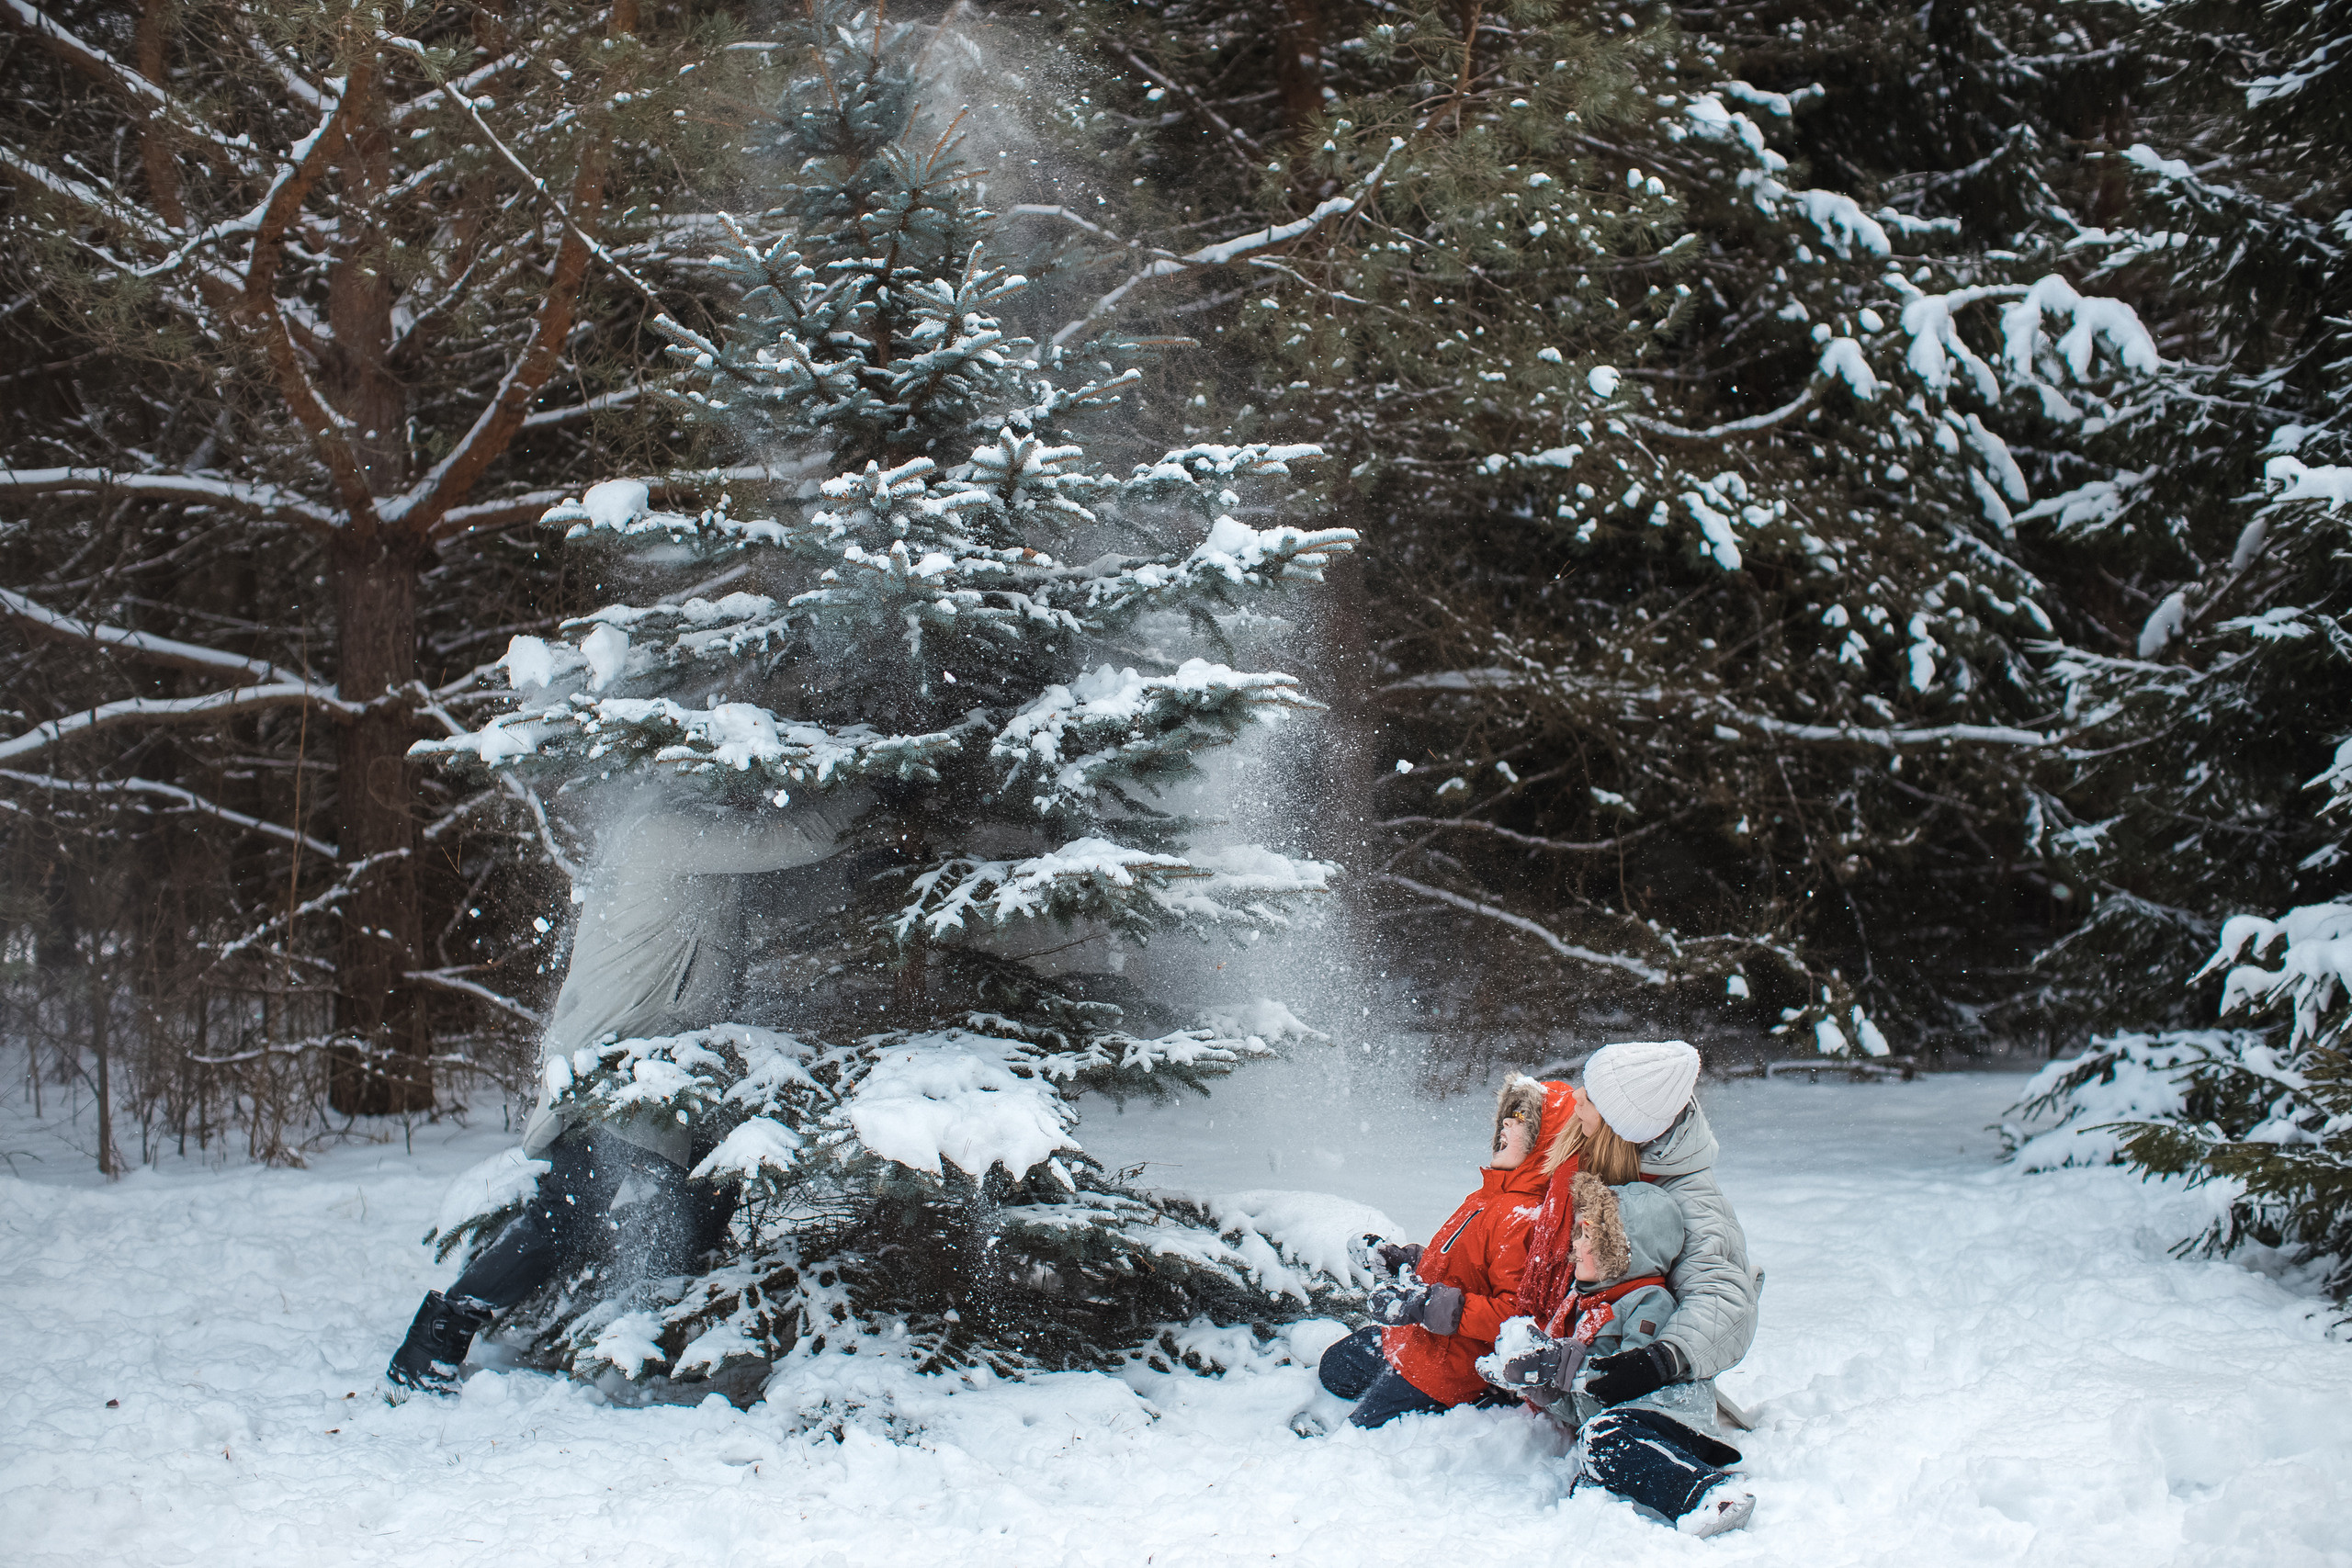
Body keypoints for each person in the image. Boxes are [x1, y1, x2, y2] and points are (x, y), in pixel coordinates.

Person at [386, 791, 869, 1392]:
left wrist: (877, 864)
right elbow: (797, 839)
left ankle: (648, 1326)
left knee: (705, 1196)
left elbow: (793, 882)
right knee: (569, 1213)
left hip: (673, 1073)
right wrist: (876, 795)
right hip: (610, 1068)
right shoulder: (664, 831)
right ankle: (437, 1336)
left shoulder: (711, 843)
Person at [1480, 1176, 1755, 1538]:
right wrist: (1540, 1387)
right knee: (1593, 1451)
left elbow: (1621, 1383)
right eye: (1576, 1233)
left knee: (1601, 1437)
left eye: (1587, 1235)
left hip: (1670, 1422)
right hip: (1620, 1424)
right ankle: (1618, 1499)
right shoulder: (1584, 1305)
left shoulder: (1648, 1302)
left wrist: (1559, 1364)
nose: (1574, 1245)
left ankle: (1709, 1494)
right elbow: (1585, 1410)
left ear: (1623, 1248)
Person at [1317, 1075, 1574, 1427]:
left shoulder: (1523, 1218)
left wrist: (1431, 1306)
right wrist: (1407, 1261)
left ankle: (1483, 1399)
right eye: (1508, 1115)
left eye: (1524, 1119)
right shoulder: (1488, 1196)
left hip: (1446, 1368)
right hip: (1412, 1338)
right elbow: (1462, 1266)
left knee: (1361, 1432)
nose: (1508, 1123)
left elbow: (1516, 1315)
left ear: (1546, 1142)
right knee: (1335, 1370)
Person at [1522, 1040, 1758, 1414]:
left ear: (1624, 1125)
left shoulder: (1688, 1194)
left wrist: (1660, 1360)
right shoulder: (1584, 1143)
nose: (1577, 1097)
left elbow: (1724, 1297)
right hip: (1554, 1366)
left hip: (1621, 1372)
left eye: (1594, 1097)